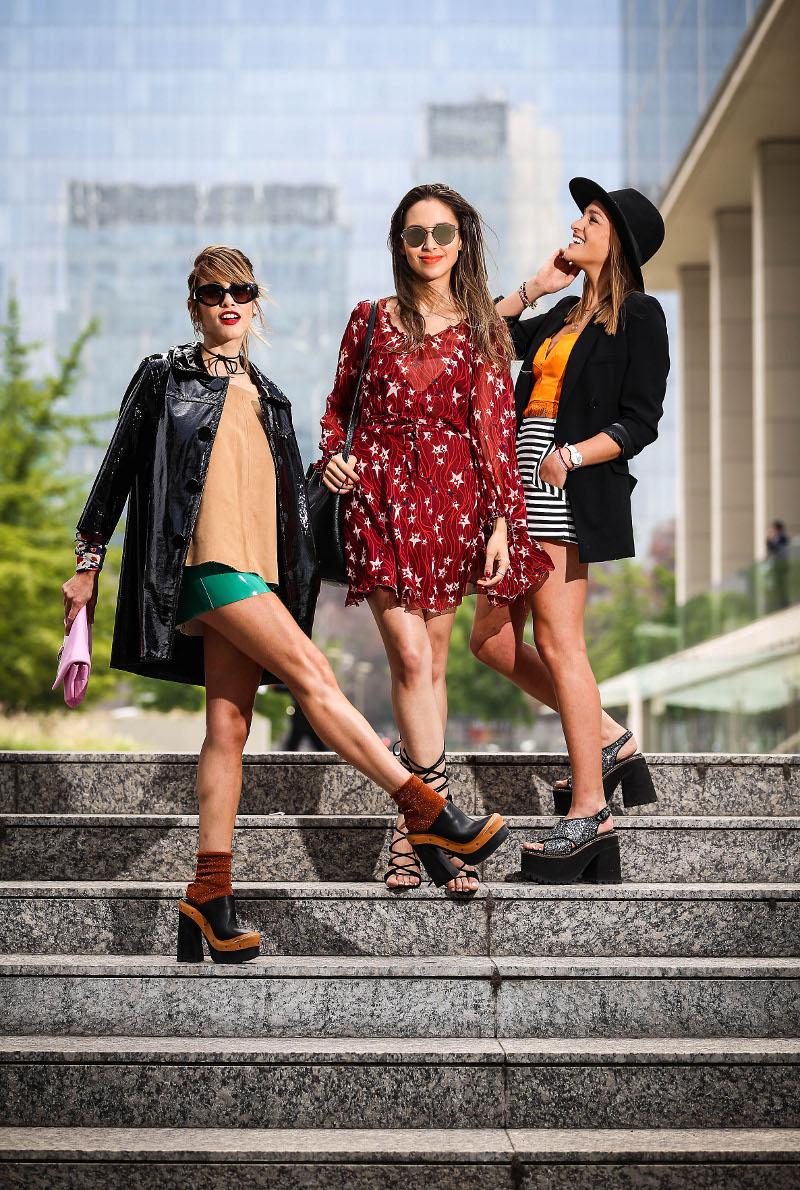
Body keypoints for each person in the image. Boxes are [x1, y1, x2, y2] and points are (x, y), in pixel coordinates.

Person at [62, 244, 510, 965]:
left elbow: (281, 505)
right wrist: (87, 564)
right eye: (212, 293)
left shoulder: (270, 396)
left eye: (240, 290)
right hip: (201, 566)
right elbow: (116, 469)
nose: (227, 302)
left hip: (258, 573)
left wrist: (323, 484)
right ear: (193, 305)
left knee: (228, 730)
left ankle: (209, 895)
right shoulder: (164, 376)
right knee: (314, 674)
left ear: (256, 301)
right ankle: (424, 807)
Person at [317, 183, 552, 898]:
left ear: (460, 241)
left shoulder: (484, 331)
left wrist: (504, 522)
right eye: (416, 234)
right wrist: (332, 457)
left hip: (454, 503)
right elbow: (337, 409)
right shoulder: (369, 318)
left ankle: (413, 833)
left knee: (435, 668)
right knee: (412, 657)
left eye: (441, 233)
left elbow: (496, 433)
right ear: (399, 243)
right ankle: (442, 826)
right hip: (378, 497)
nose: (429, 246)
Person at [470, 178, 670, 882]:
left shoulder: (639, 315)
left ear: (620, 241)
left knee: (559, 642)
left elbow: (642, 419)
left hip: (565, 491)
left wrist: (575, 455)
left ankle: (590, 811)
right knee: (491, 642)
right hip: (514, 493)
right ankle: (610, 738)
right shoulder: (561, 313)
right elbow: (483, 342)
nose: (576, 226)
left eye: (591, 219)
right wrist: (534, 286)